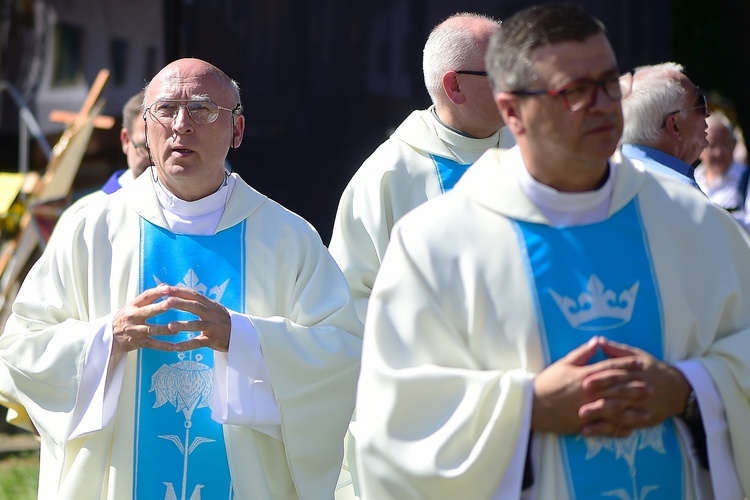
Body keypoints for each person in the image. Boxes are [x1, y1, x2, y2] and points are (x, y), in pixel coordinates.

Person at [355, 4, 749, 499]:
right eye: (574, 91)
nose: (604, 105)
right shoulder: (436, 245)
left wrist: (691, 389)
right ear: (513, 109)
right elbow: (394, 426)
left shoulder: (692, 223)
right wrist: (527, 406)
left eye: (610, 84)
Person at [0, 58, 363, 499]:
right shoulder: (91, 230)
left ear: (238, 130)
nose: (181, 125)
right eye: (166, 109)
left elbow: (342, 354)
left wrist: (243, 337)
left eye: (203, 109)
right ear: (146, 128)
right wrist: (106, 339)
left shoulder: (287, 238)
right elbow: (21, 348)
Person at [328, 12, 509, 323]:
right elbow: (349, 302)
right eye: (503, 72)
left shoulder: (537, 151)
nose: (519, 85)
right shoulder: (389, 174)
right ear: (454, 87)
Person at [620, 62, 709, 189]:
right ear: (674, 126)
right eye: (699, 103)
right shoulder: (682, 191)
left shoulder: (603, 179)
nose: (708, 113)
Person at [695, 111, 746, 212]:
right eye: (712, 146)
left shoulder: (746, 180)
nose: (718, 153)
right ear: (699, 149)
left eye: (724, 145)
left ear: (734, 144)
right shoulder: (693, 179)